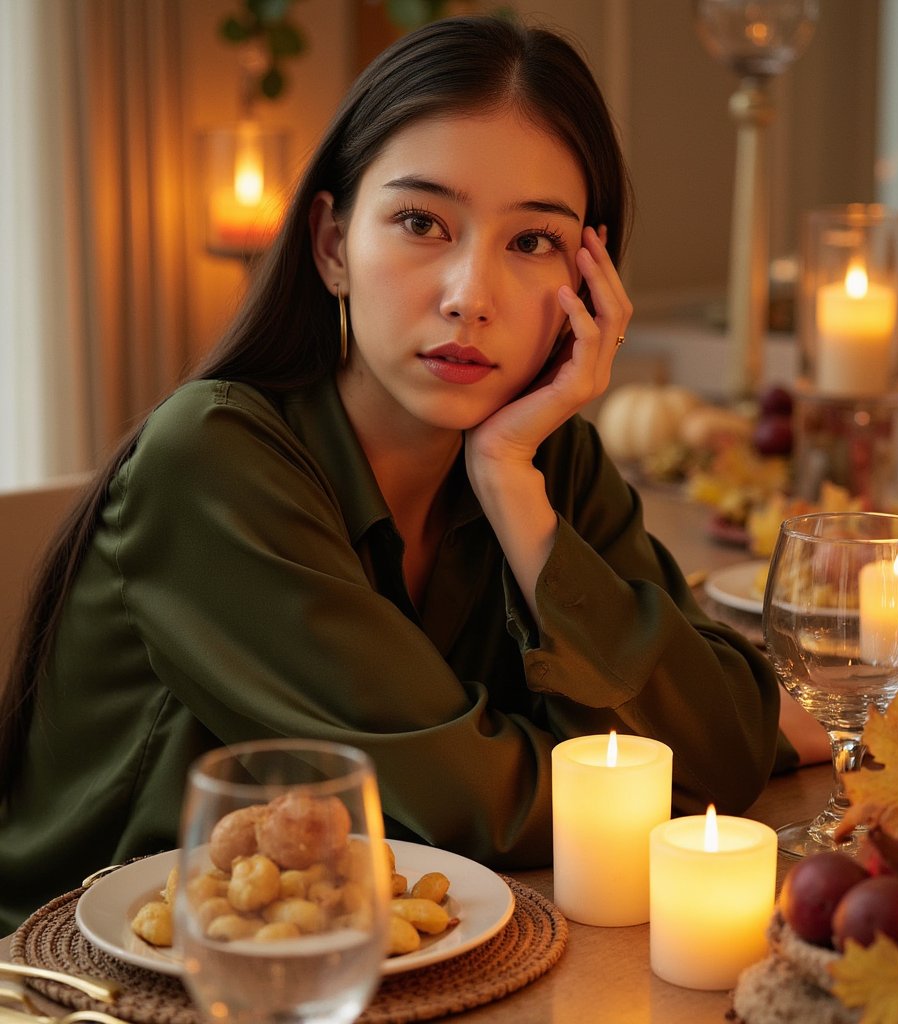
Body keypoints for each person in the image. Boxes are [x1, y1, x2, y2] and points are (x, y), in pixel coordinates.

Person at [0, 14, 818, 933]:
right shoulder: (212, 459)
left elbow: (718, 747)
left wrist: (512, 487)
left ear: (587, 285)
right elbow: (461, 809)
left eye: (533, 242)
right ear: (333, 244)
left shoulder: (548, 460)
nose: (471, 295)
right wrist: (675, 759)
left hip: (370, 966)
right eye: (422, 222)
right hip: (89, 981)